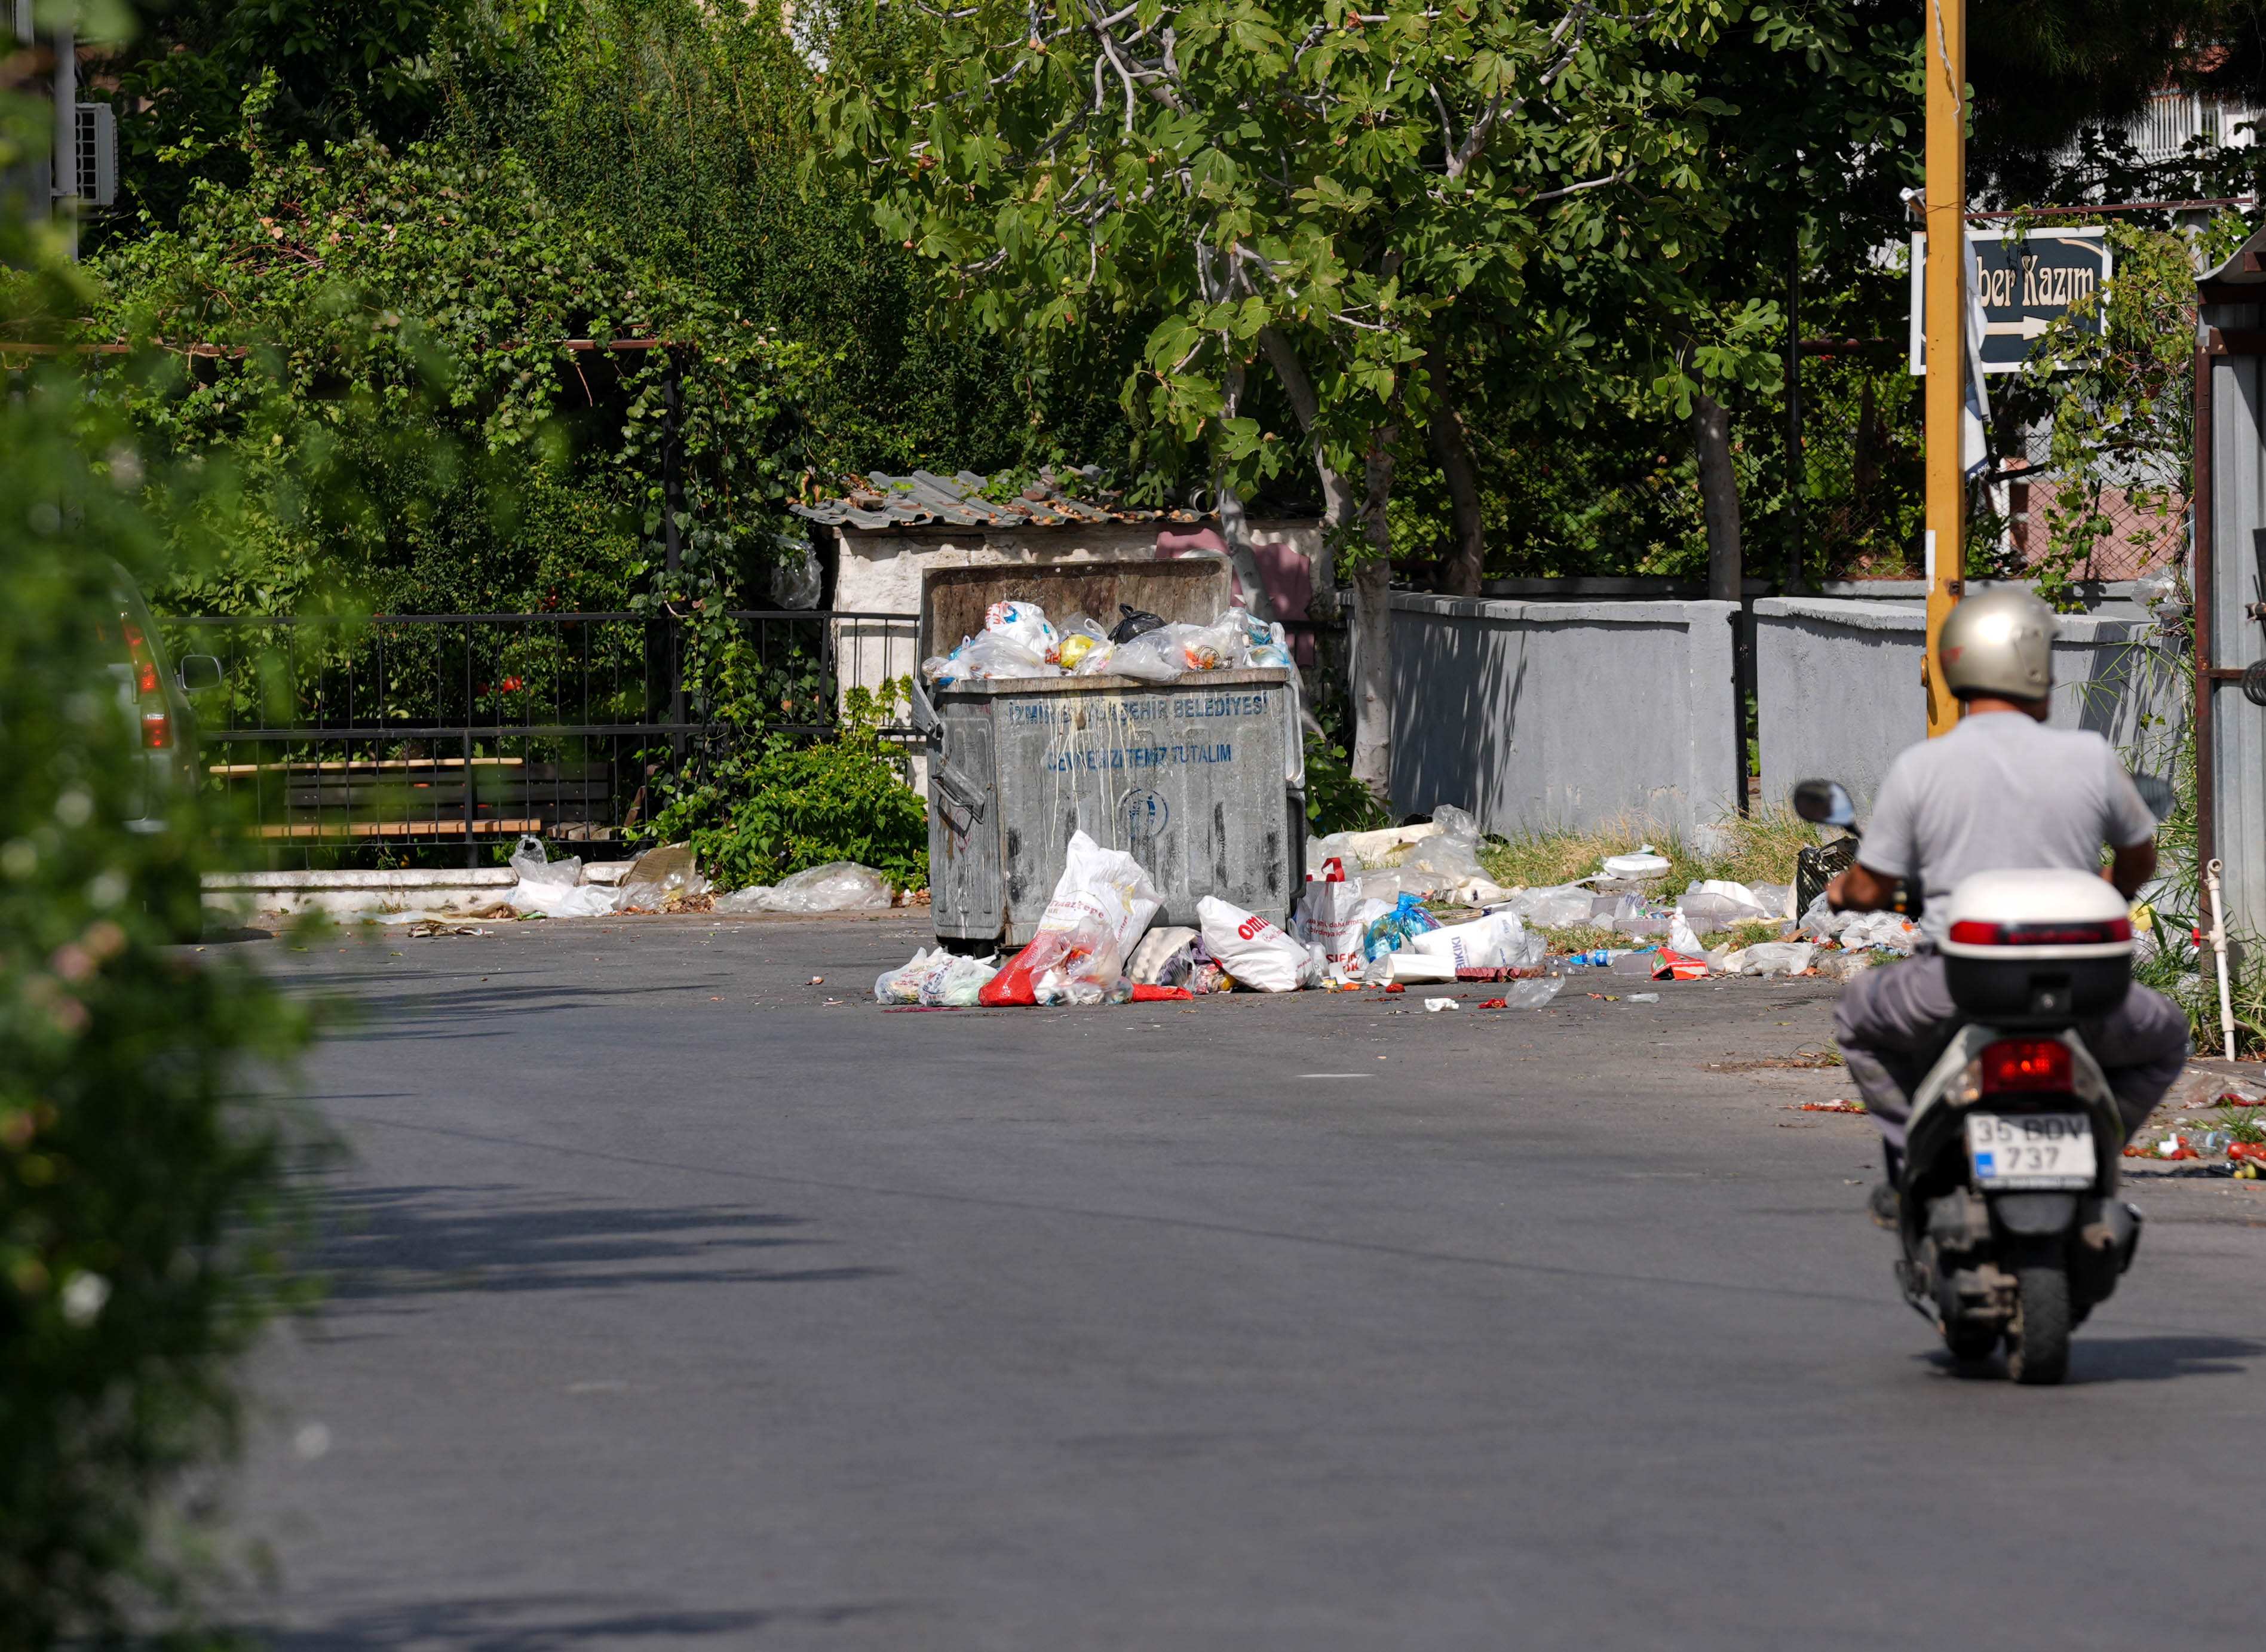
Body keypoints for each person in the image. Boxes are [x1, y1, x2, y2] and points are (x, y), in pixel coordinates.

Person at [1825, 587, 2190, 1224]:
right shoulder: (2089, 756)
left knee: (1857, 1018)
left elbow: (1873, 887)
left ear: (1956, 668)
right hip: (2085, 990)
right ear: (2039, 671)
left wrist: (1839, 893)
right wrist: (2112, 891)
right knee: (2164, 1035)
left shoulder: (1923, 766)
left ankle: (1912, 1153)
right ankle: (2100, 1151)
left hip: (1956, 986)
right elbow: (2139, 858)